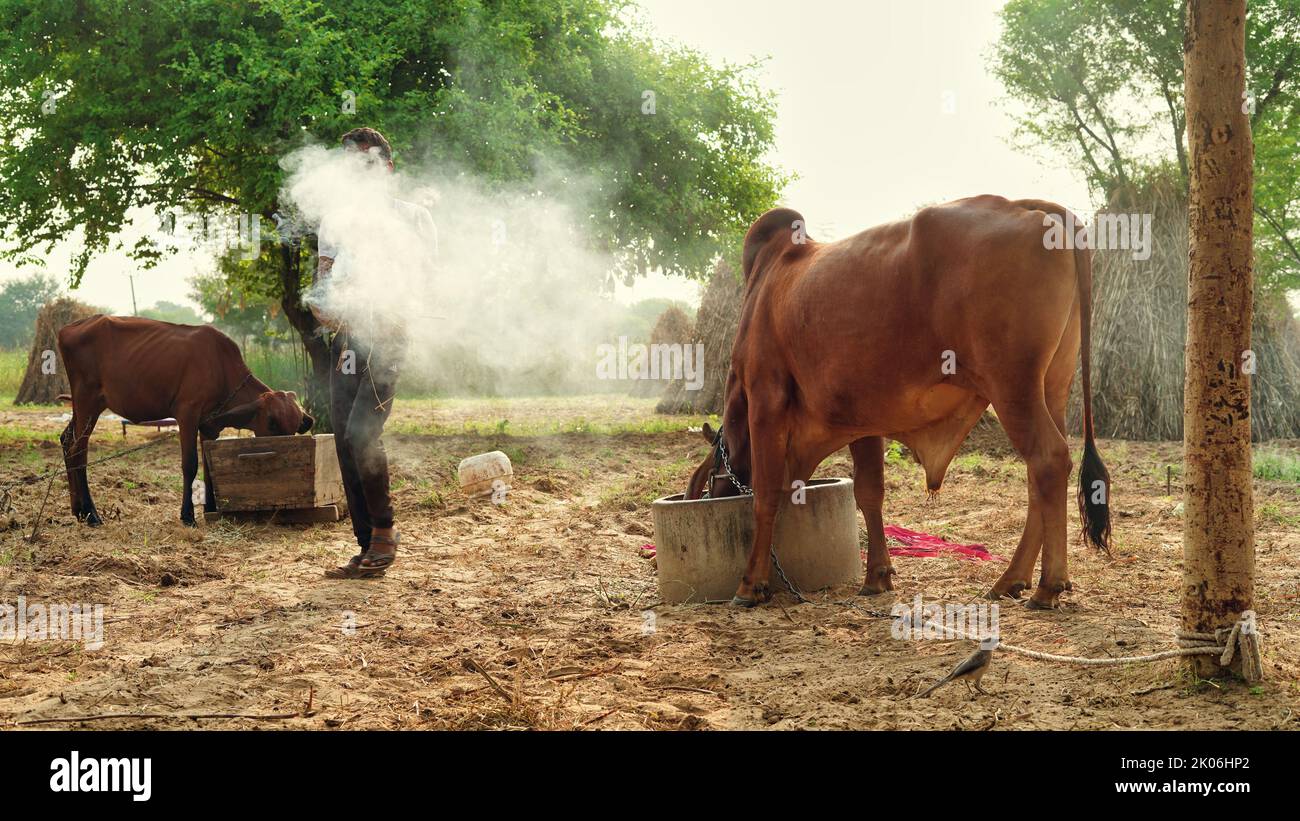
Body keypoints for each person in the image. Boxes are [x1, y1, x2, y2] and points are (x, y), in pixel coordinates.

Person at [312, 127, 437, 578]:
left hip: (390, 336)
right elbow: (324, 279)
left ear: (387, 167)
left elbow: (424, 281)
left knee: (363, 431)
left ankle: (385, 532)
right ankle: (366, 544)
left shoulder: (415, 218)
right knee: (344, 436)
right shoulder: (335, 221)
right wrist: (321, 305)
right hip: (346, 340)